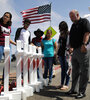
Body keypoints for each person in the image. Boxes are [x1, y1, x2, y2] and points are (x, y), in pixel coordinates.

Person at [66, 10, 90, 99]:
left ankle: (82, 92)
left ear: (77, 14)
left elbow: (87, 33)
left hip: (82, 48)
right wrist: (71, 47)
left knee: (84, 71)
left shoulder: (84, 21)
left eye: (72, 16)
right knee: (75, 71)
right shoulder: (73, 25)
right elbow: (71, 37)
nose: (71, 19)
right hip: (75, 50)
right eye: (70, 17)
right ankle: (74, 89)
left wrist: (84, 44)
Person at [0, 12, 16, 84]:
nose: (5, 17)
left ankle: (4, 79)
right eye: (4, 15)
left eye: (7, 16)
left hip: (8, 46)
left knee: (8, 62)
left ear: (9, 19)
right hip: (0, 45)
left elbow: (9, 38)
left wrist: (16, 44)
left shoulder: (9, 27)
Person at [56, 21, 71, 90]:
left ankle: (66, 84)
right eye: (60, 27)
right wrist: (57, 53)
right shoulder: (60, 34)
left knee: (67, 69)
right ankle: (62, 84)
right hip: (61, 53)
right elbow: (59, 44)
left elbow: (70, 43)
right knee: (63, 69)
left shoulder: (69, 33)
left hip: (67, 53)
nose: (61, 29)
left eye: (62, 27)